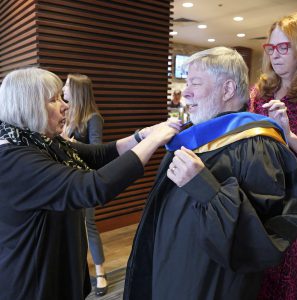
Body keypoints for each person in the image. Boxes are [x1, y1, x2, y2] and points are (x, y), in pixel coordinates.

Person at [123, 47, 297, 300]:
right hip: (172, 266)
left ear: (227, 89)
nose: (185, 91)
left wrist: (205, 188)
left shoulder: (256, 145)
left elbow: (258, 242)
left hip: (208, 283)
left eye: (195, 82)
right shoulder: (192, 136)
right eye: (186, 82)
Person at [0, 67, 181, 300]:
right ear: (29, 105)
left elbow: (98, 154)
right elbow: (92, 188)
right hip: (33, 281)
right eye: (54, 100)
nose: (65, 105)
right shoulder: (13, 157)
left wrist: (141, 136)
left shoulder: (43, 142)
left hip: (60, 264)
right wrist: (154, 141)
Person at [248, 12, 297, 300]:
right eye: (272, 48)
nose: (276, 55)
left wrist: (289, 135)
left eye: (285, 47)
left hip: (294, 200)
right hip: (260, 194)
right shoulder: (261, 90)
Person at [62, 73, 108, 297]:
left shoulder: (93, 118)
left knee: (88, 225)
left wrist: (68, 142)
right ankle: (78, 272)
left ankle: (100, 272)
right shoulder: (67, 113)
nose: (63, 89)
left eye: (67, 85)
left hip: (84, 180)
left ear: (77, 91)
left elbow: (97, 151)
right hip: (66, 179)